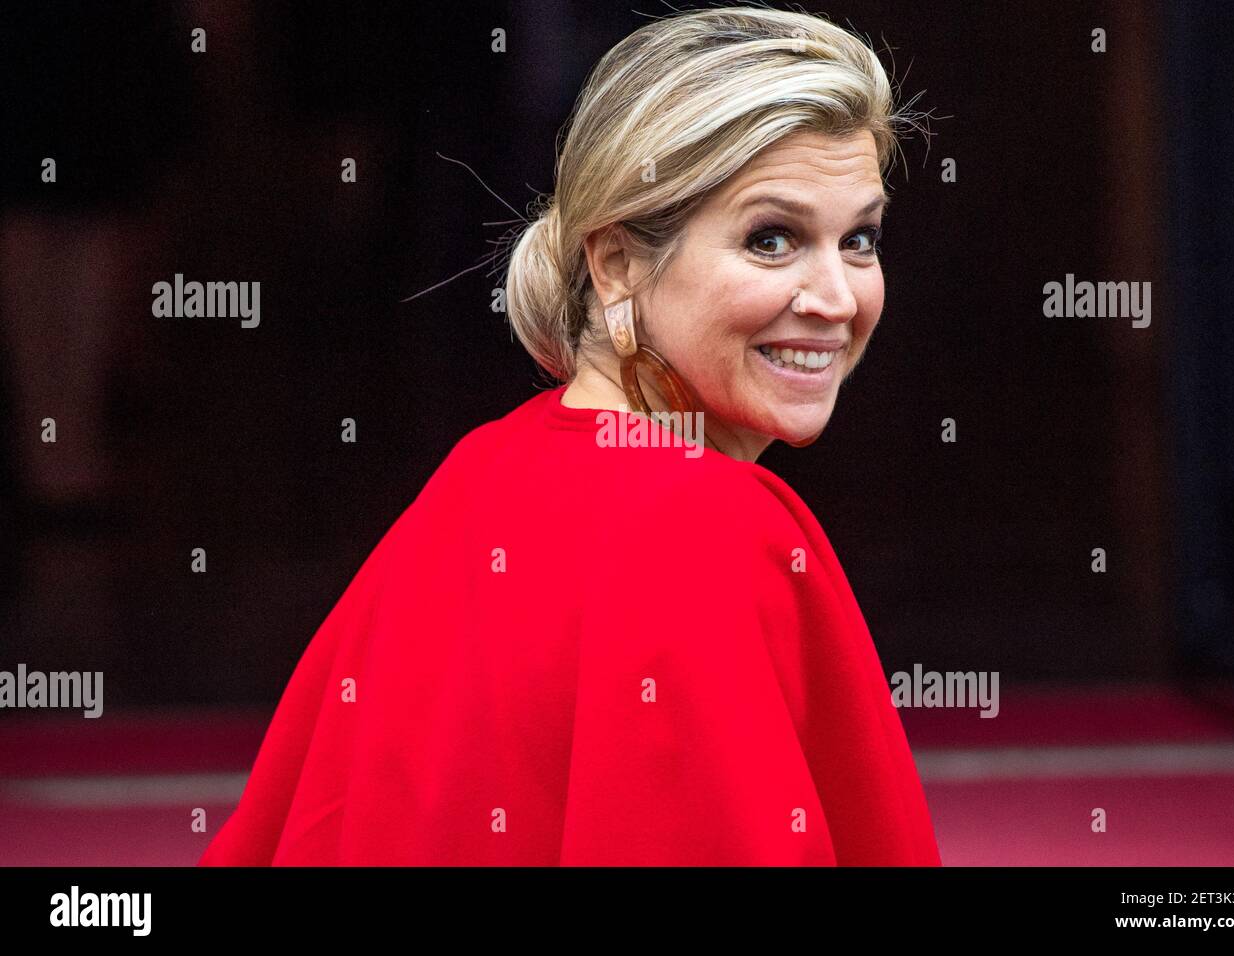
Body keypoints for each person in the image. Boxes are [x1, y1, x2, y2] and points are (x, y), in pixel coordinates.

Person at [198, 5, 941, 866]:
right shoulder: (719, 524)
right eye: (771, 239)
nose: (837, 297)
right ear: (617, 261)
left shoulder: (480, 469)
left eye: (859, 240)